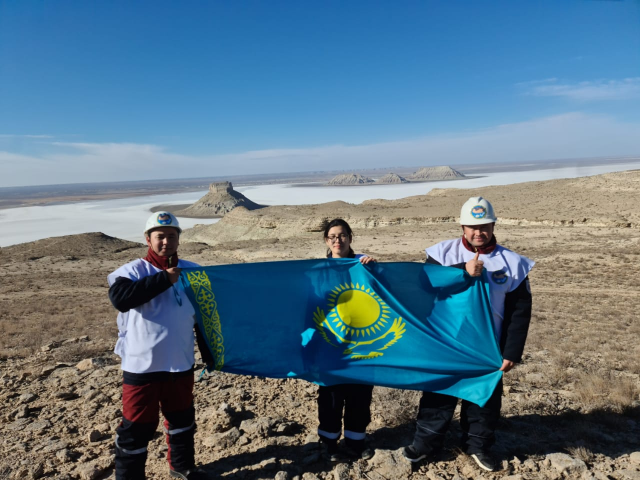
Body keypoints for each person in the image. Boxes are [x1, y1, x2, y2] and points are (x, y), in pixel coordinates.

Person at [403, 197, 534, 472]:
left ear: (493, 225)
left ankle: (478, 446)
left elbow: (519, 311)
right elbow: (424, 286)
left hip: (488, 347)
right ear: (462, 226)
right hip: (447, 343)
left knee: (483, 399)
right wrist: (461, 271)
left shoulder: (513, 264)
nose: (479, 232)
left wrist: (511, 352)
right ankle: (425, 444)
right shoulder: (443, 254)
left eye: (484, 226)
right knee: (438, 395)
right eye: (473, 227)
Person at [107, 212, 212, 480]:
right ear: (148, 239)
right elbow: (121, 299)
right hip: (142, 366)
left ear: (179, 239)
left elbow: (204, 316)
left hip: (180, 363)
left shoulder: (193, 271)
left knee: (182, 419)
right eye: (160, 236)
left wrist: (210, 353)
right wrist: (164, 279)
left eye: (172, 236)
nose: (166, 242)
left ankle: (182, 467)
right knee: (136, 427)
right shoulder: (131, 271)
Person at [317, 218, 377, 462]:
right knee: (330, 395)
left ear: (350, 238)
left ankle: (355, 442)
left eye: (342, 235)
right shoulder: (319, 270)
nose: (337, 240)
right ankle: (328, 443)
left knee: (359, 394)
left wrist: (375, 270)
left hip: (361, 342)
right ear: (326, 240)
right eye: (332, 236)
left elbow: (381, 293)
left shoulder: (364, 264)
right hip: (329, 342)